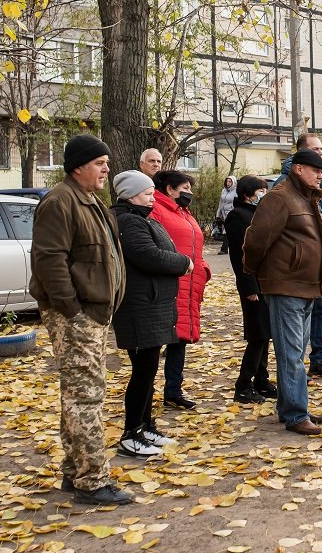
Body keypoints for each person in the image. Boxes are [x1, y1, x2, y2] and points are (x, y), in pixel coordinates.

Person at [30, 134, 130, 506]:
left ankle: (74, 472)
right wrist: (71, 309)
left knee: (78, 395)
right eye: (99, 163)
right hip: (76, 316)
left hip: (94, 313)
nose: (106, 168)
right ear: (78, 166)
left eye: (106, 162)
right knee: (85, 396)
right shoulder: (60, 201)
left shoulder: (89, 200)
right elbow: (48, 259)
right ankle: (93, 481)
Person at [243, 148, 322, 436]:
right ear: (298, 169)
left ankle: (292, 407)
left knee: (294, 352)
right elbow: (257, 240)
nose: (321, 174)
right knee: (291, 353)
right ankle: (296, 414)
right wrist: (253, 271)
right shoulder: (279, 197)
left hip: (305, 286)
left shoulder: (306, 196)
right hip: (286, 286)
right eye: (316, 169)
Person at [109, 170, 192, 458]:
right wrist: (184, 263)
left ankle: (146, 426)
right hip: (140, 306)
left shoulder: (139, 217)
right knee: (143, 371)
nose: (151, 198)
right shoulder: (128, 221)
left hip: (151, 304)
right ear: (131, 195)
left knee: (148, 369)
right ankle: (131, 432)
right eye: (146, 194)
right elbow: (149, 255)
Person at [272, 133, 322, 379]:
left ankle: (319, 358)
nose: (321, 152)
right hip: (303, 262)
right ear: (300, 156)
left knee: (321, 311)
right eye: (316, 149)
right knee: (301, 316)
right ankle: (297, 367)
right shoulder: (285, 184)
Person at [150, 169, 212, 410]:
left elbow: (196, 246)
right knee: (158, 341)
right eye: (184, 189)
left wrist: (204, 270)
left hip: (188, 285)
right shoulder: (157, 209)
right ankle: (146, 392)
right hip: (170, 284)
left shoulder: (184, 212)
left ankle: (173, 391)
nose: (190, 193)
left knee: (179, 340)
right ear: (170, 189)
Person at [223, 175, 276, 404]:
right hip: (252, 284)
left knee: (265, 334)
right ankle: (243, 385)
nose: (263, 195)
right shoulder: (238, 216)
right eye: (259, 191)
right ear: (247, 194)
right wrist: (249, 286)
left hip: (265, 281)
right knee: (257, 334)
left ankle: (261, 380)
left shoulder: (256, 214)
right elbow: (239, 256)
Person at [215, 176, 236, 254]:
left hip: (231, 213)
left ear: (233, 182)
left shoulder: (236, 191)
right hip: (224, 214)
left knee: (227, 230)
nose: (228, 183)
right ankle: (231, 247)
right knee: (230, 231)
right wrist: (218, 214)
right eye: (227, 181)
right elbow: (221, 203)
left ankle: (224, 249)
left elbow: (237, 203)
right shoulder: (224, 190)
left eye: (230, 181)